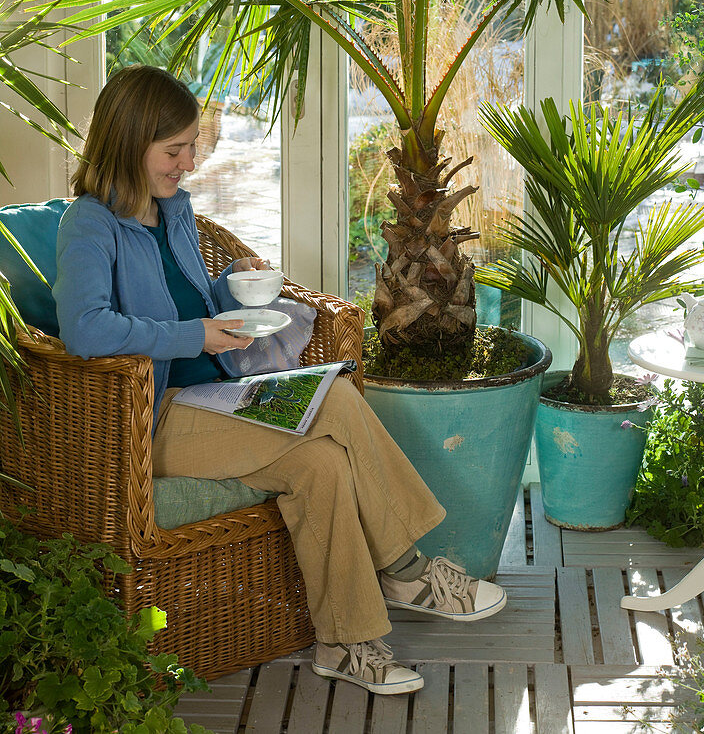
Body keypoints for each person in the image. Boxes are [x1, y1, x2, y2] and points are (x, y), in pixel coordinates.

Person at [53, 65, 506, 696]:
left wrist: (230, 286)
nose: (187, 163)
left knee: (321, 458)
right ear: (129, 143)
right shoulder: (89, 224)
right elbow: (86, 329)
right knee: (340, 407)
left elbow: (188, 301)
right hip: (152, 416)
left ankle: (346, 646)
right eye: (173, 150)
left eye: (190, 148)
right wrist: (195, 336)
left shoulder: (174, 210)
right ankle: (407, 571)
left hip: (218, 395)